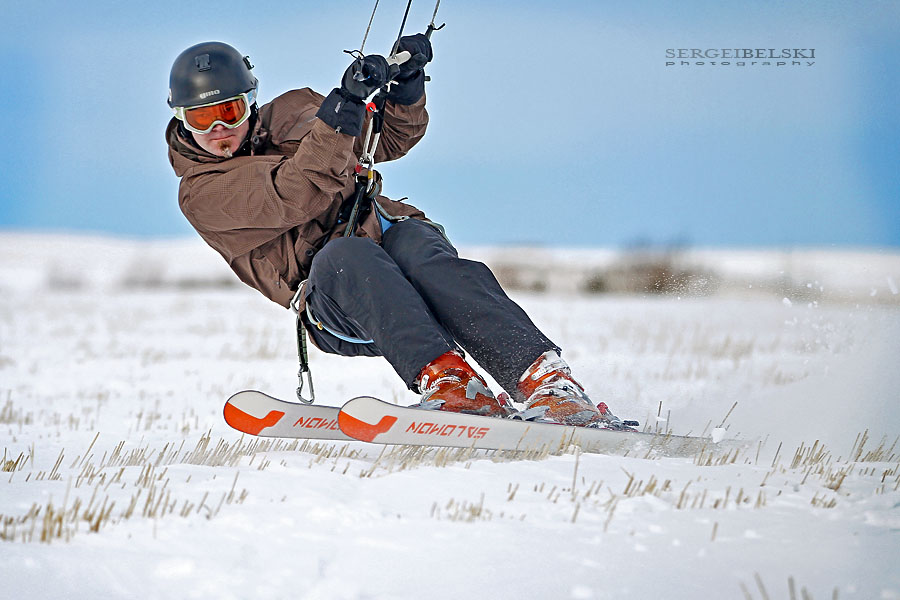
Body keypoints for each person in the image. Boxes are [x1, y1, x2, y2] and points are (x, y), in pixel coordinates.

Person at [165, 38, 620, 427]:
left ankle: (550, 382)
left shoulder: (295, 110)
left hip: (392, 245)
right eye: (202, 119)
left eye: (228, 110)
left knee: (420, 247)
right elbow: (298, 191)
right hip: (338, 300)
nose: (219, 129)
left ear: (251, 101)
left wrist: (404, 88)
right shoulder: (202, 193)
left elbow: (386, 140)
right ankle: (451, 382)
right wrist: (339, 116)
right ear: (183, 120)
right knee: (344, 256)